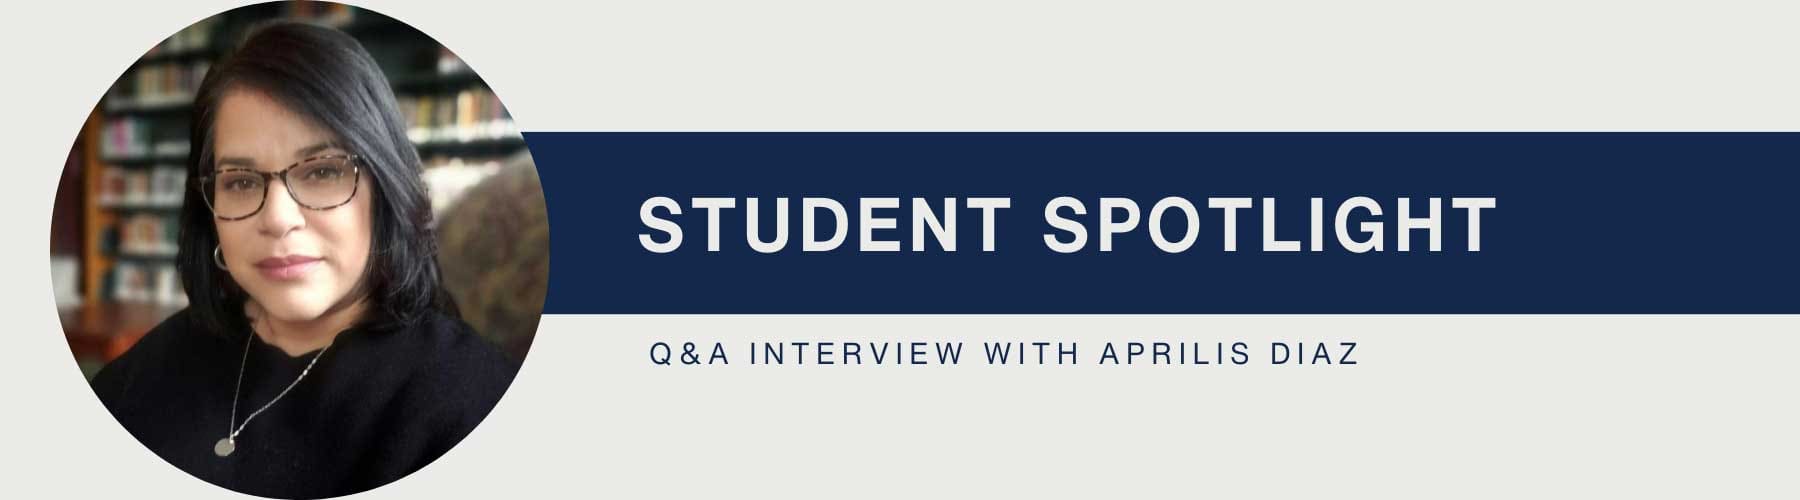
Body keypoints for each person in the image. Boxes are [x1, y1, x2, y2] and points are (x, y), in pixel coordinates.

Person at [90, 21, 518, 498]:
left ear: (386, 187)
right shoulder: (146, 371)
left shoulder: (468, 402)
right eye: (242, 181)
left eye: (322, 171)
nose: (277, 218)